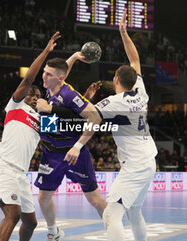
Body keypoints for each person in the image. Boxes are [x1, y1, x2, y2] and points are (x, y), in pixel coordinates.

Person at [64, 10, 158, 241]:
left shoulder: (112, 102)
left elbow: (91, 120)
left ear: (116, 80)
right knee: (134, 211)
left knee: (111, 214)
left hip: (135, 164)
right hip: (148, 160)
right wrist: (123, 33)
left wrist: (76, 144)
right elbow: (134, 60)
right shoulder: (141, 91)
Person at [0, 32, 61, 241]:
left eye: (38, 96)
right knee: (13, 214)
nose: (34, 98)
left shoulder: (42, 120)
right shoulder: (16, 105)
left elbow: (59, 94)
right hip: (5, 168)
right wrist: (46, 52)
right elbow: (29, 78)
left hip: (21, 174)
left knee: (30, 222)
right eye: (32, 95)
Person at [34, 53, 107, 239]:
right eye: (44, 72)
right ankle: (53, 233)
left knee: (94, 199)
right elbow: (61, 72)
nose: (44, 76)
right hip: (50, 154)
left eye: (48, 74)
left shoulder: (68, 94)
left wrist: (77, 146)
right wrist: (74, 57)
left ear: (60, 78)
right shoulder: (50, 90)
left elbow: (95, 118)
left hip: (73, 154)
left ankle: (115, 233)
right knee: (43, 199)